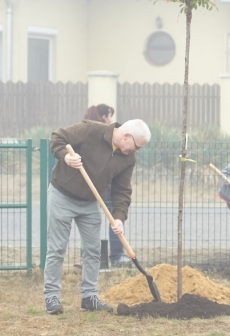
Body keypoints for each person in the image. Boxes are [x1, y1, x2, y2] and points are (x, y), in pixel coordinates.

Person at [44, 118, 151, 314]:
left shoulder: (128, 159)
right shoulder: (91, 130)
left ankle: (89, 297)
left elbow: (122, 191)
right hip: (62, 195)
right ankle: (52, 297)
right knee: (57, 248)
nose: (136, 152)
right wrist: (66, 158)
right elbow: (58, 138)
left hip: (91, 201)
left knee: (93, 251)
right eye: (137, 147)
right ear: (127, 136)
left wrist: (119, 217)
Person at [82, 104, 128, 267]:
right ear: (103, 117)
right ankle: (116, 257)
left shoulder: (88, 131)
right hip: (104, 187)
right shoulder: (105, 135)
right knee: (114, 221)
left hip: (92, 187)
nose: (111, 120)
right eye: (110, 116)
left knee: (89, 222)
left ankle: (88, 258)